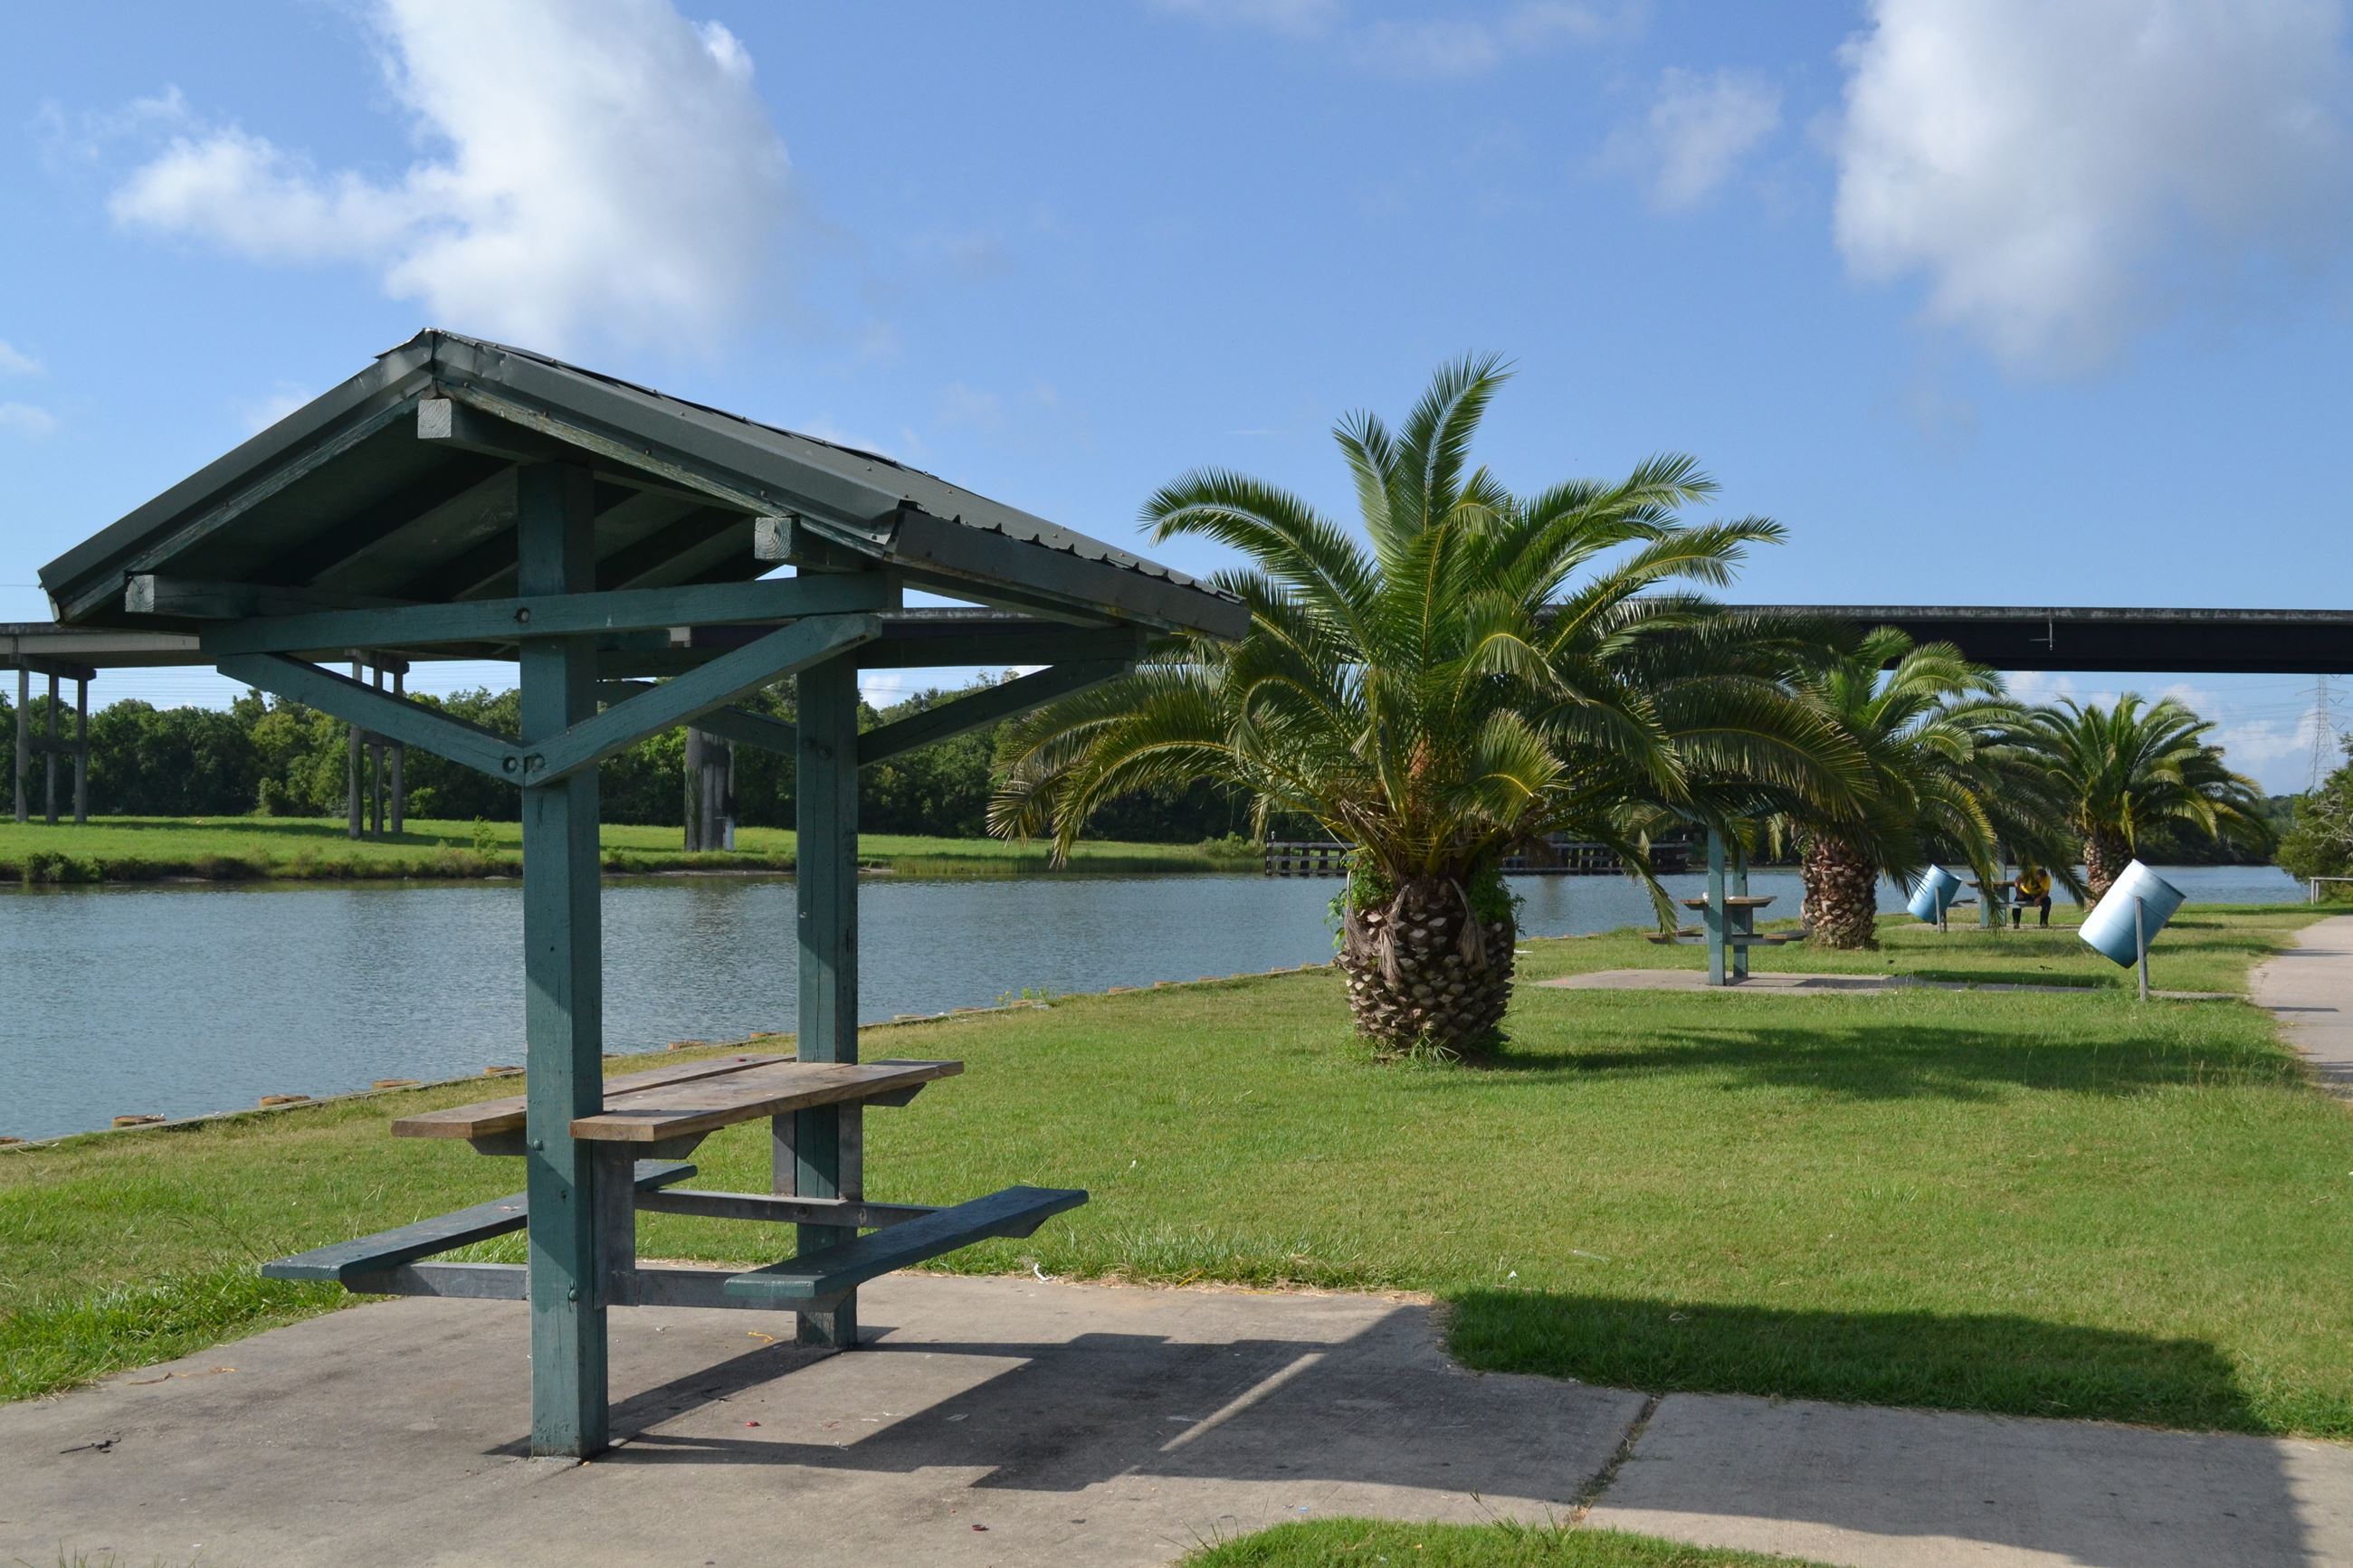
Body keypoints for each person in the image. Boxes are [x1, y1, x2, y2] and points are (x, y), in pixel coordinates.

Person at [2013, 864, 2053, 928]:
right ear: (2036, 875)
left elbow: (2046, 892)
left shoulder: (2047, 878)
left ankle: (2043, 923)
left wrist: (2039, 898)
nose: (2040, 880)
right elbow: (2017, 880)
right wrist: (2018, 893)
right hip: (2025, 892)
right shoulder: (2029, 873)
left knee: (2047, 901)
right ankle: (2016, 923)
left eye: (2042, 879)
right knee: (2016, 902)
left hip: (2038, 894)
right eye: (2038, 878)